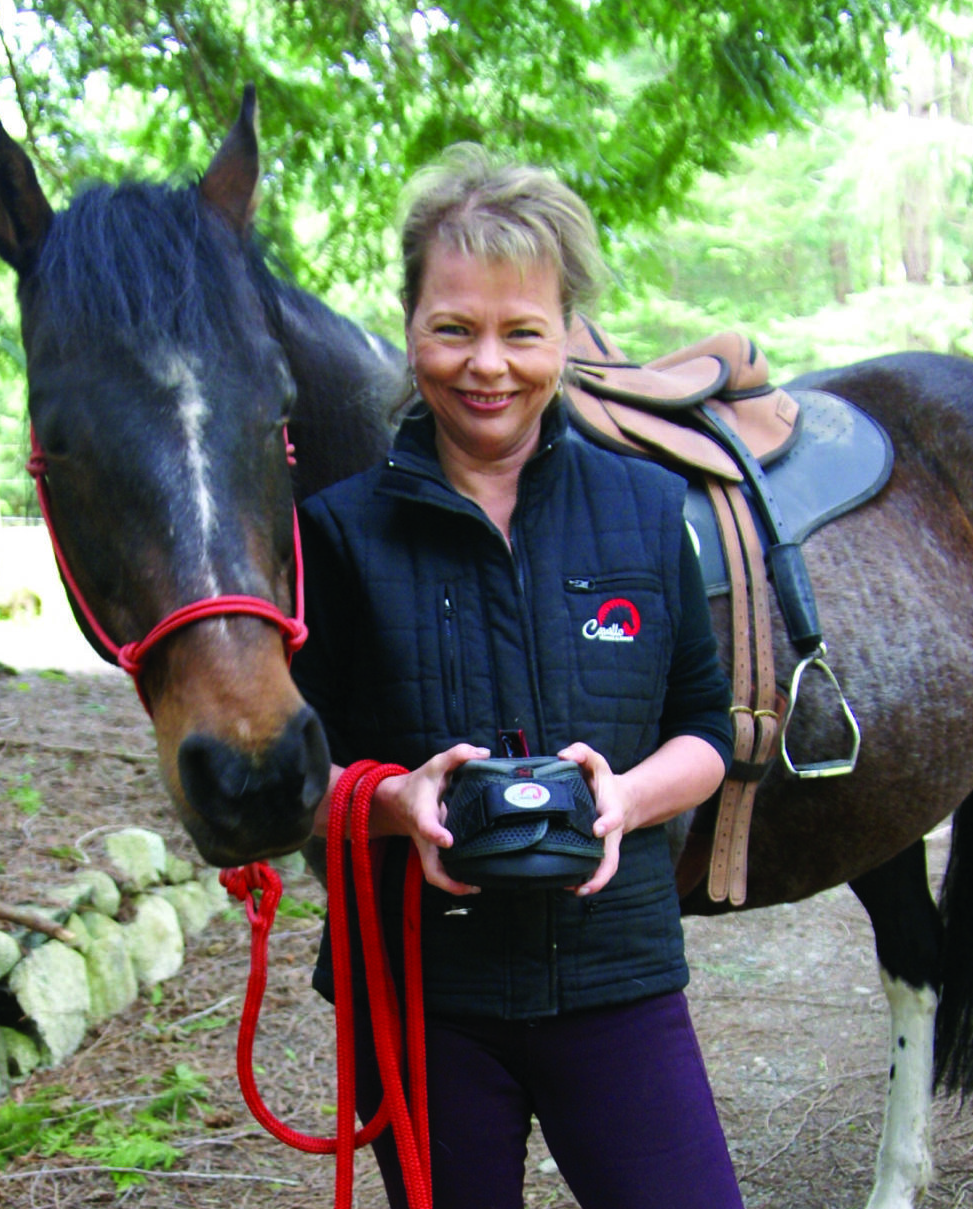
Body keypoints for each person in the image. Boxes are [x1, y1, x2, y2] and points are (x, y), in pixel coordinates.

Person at [291, 144, 745, 1209]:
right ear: (410, 326)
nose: (485, 364)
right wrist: (394, 803)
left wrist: (629, 796)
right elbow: (294, 780)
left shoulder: (644, 507)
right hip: (421, 994)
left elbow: (704, 730)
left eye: (520, 331)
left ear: (566, 333)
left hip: (616, 976)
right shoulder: (337, 536)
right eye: (452, 328)